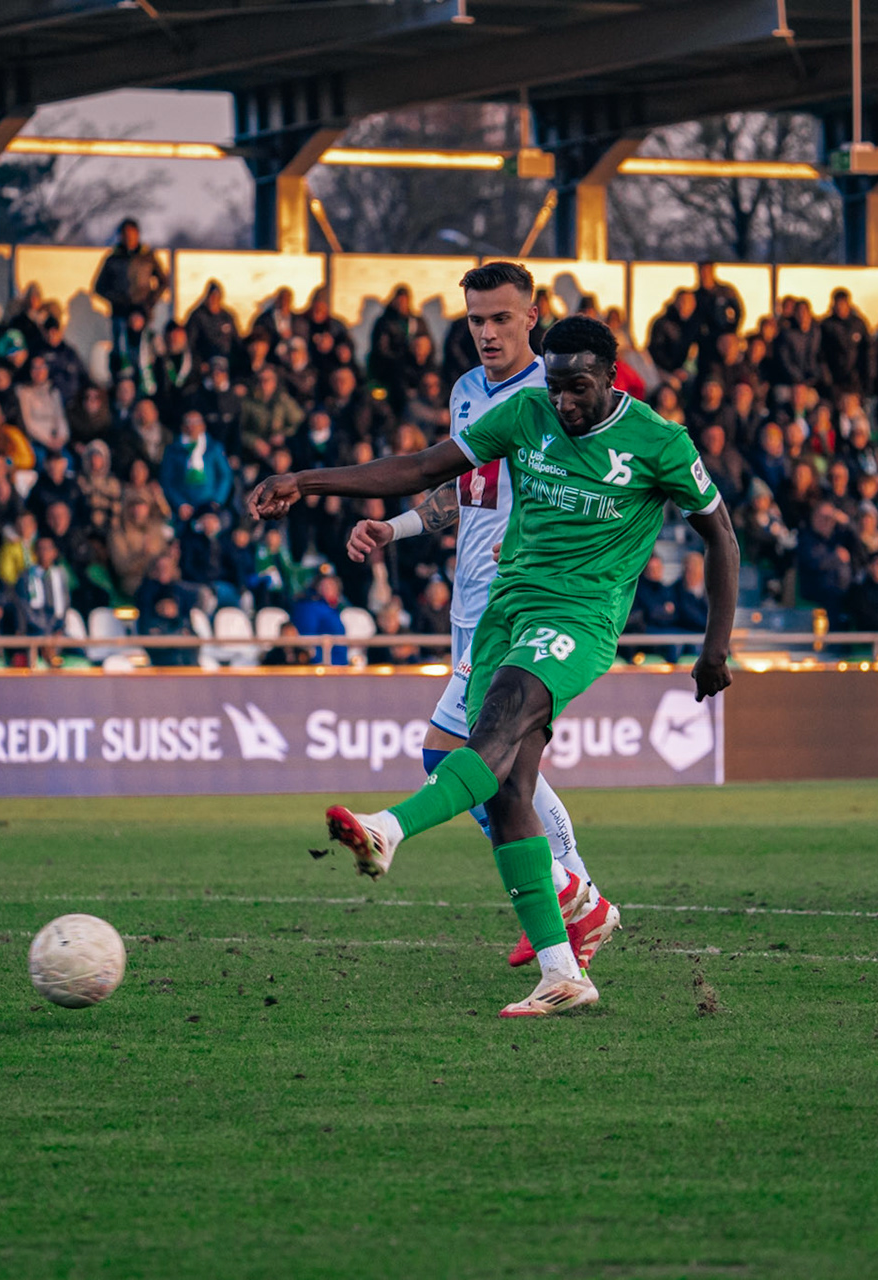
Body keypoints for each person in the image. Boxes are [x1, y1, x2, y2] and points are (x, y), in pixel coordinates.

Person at [251, 314, 736, 1018]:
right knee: (506, 791)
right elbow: (423, 468)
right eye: (556, 387)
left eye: (579, 388)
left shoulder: (659, 443)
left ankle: (388, 829)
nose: (565, 402)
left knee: (495, 731)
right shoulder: (527, 412)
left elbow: (720, 534)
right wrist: (307, 479)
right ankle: (562, 972)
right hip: (505, 613)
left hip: (579, 620)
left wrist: (714, 645)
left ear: (612, 374)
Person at [339, 263, 615, 974]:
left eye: (501, 318)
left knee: (446, 751)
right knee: (512, 766)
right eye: (475, 320)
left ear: (533, 318)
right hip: (471, 601)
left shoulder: (557, 398)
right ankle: (574, 900)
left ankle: (570, 898)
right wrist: (395, 530)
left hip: (520, 602)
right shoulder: (468, 392)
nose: (487, 332)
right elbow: (469, 489)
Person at [94, 219, 167, 364]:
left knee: (146, 352)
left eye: (132, 234)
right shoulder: (113, 259)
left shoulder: (148, 257)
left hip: (143, 313)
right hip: (120, 314)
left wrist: (149, 302)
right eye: (125, 234)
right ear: (120, 236)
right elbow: (99, 287)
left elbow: (163, 282)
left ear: (138, 234)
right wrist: (117, 300)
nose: (129, 238)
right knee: (121, 354)